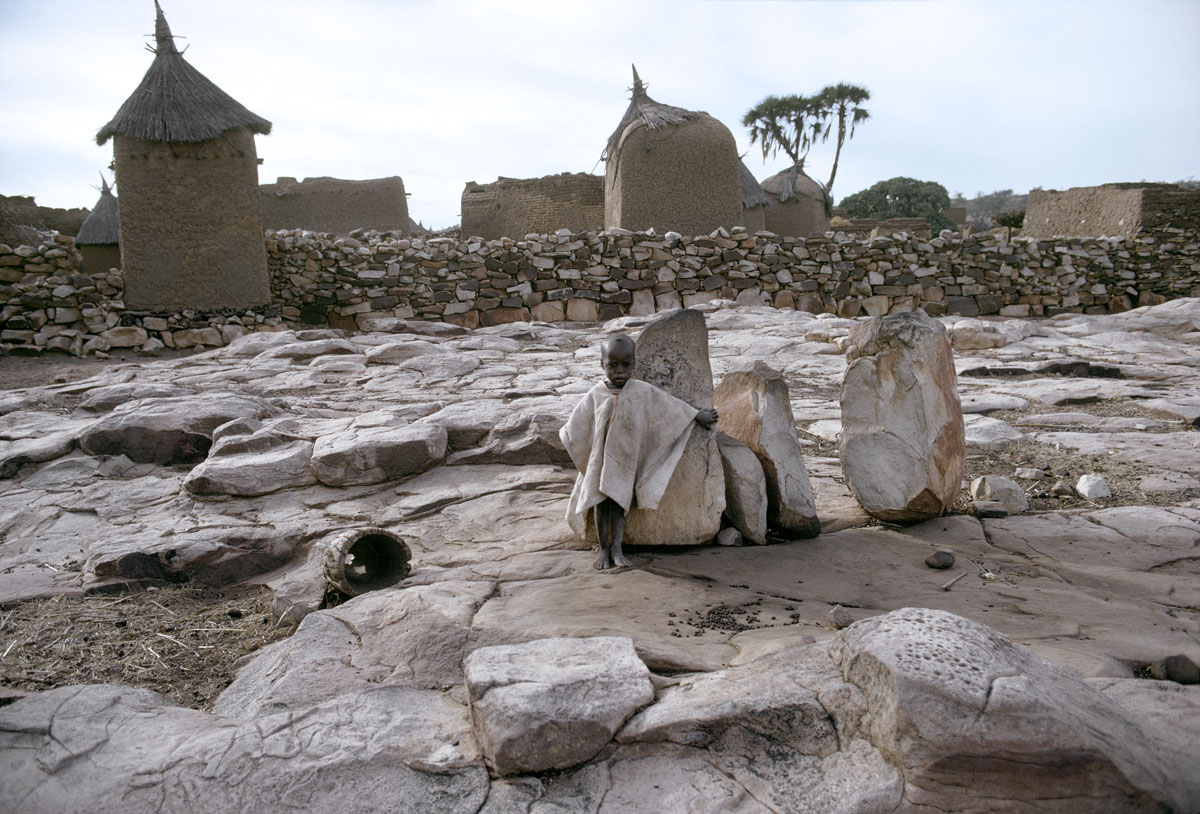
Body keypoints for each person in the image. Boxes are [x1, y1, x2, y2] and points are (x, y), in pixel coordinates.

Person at [559, 333, 717, 569]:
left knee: (620, 505)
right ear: (602, 364)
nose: (620, 371)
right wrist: (573, 442)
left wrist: (696, 415)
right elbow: (575, 426)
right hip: (600, 464)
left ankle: (617, 549)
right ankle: (603, 550)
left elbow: (669, 408)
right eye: (612, 365)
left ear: (634, 363)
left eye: (626, 364)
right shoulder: (595, 394)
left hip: (625, 462)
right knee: (600, 505)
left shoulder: (642, 391)